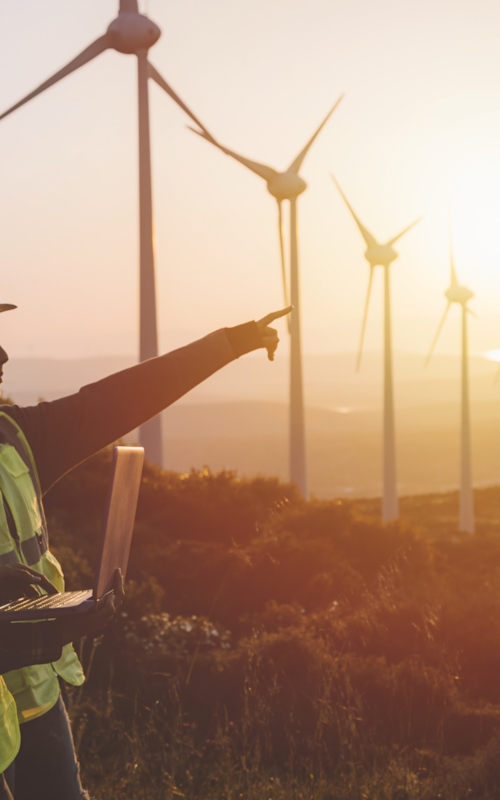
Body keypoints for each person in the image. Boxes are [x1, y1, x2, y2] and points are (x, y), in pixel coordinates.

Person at [0, 301, 291, 799]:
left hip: (37, 702)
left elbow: (120, 399)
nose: (3, 355)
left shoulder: (19, 436)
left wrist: (230, 342)